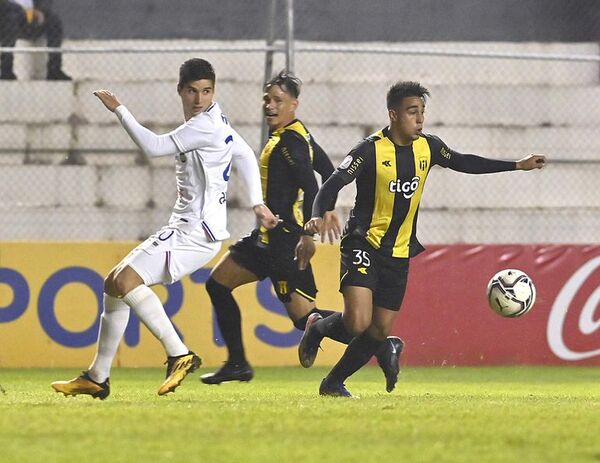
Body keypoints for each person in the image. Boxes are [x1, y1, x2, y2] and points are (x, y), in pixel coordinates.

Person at [301, 81, 547, 398]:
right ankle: (318, 327)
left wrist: (517, 165)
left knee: (379, 330)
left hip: (399, 252)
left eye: (422, 112)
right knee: (358, 323)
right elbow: (332, 184)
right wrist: (320, 214)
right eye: (412, 112)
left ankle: (333, 383)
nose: (419, 119)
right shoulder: (370, 150)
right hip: (363, 244)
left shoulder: (428, 147)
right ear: (393, 115)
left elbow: (464, 161)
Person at [51, 58, 278, 400]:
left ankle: (179, 354)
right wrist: (256, 203)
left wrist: (120, 110)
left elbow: (153, 147)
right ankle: (97, 377)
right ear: (181, 91)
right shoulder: (217, 120)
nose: (199, 98)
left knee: (126, 281)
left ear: (213, 91)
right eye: (192, 91)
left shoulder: (204, 125)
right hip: (189, 228)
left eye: (206, 91)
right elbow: (244, 153)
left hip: (195, 233)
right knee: (113, 284)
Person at [200, 71, 404, 392]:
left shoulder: (289, 144)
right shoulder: (298, 134)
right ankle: (237, 363)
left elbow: (311, 182)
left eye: (278, 100)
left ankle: (381, 342)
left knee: (305, 319)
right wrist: (327, 207)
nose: (270, 105)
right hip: (264, 241)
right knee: (217, 284)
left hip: (284, 243)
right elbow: (327, 169)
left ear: (293, 104)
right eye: (267, 99)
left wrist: (309, 233)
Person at [0, 0, 71, 80]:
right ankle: (6, 70)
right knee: (12, 19)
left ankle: (54, 70)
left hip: (29, 19)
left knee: (54, 21)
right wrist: (21, 11)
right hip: (7, 18)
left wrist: (39, 11)